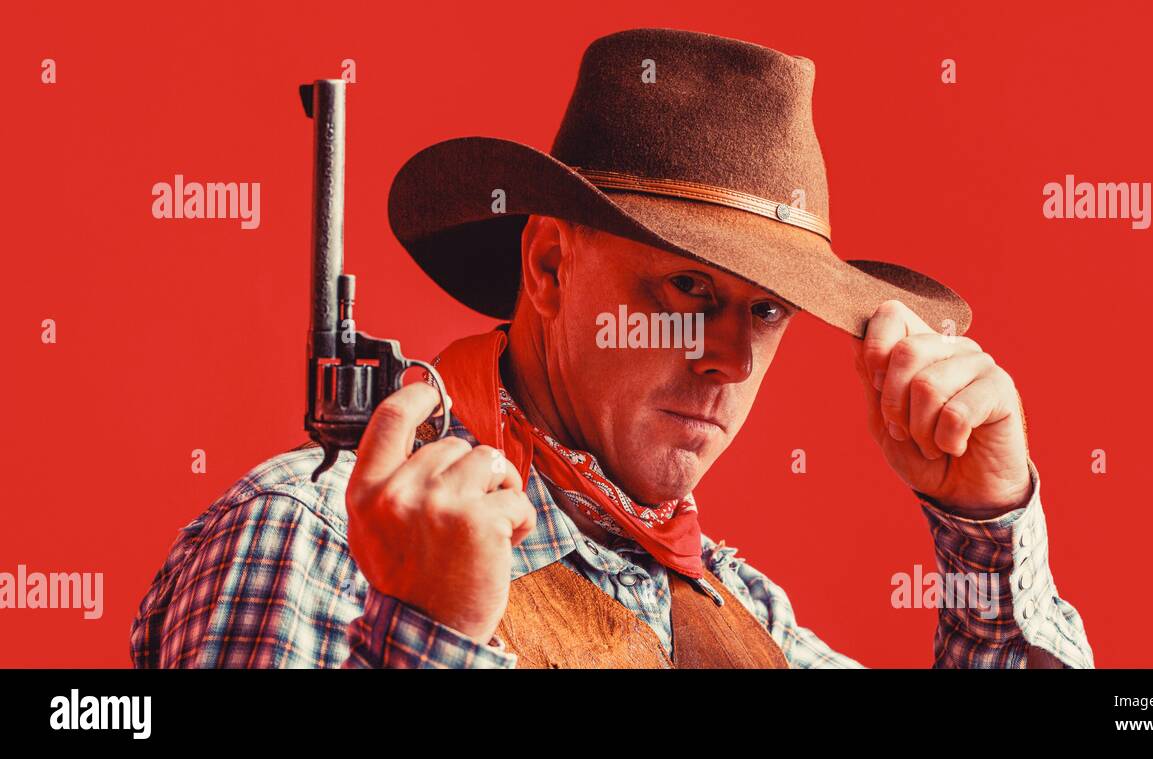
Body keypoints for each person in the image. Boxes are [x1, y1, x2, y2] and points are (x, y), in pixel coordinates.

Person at [130, 27, 1093, 669]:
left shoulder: (746, 614)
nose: (731, 359)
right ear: (547, 266)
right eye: (687, 288)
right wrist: (425, 637)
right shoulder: (312, 533)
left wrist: (985, 525)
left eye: (766, 313)